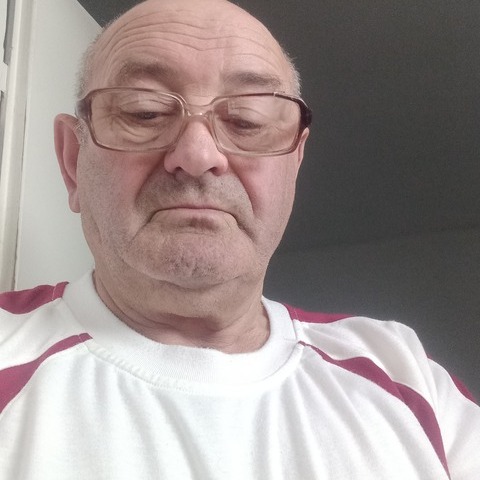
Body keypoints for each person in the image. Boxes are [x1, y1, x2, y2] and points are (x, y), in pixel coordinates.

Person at [0, 0, 478, 478]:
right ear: (72, 162)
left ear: (294, 166)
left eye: (247, 120)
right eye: (145, 111)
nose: (197, 154)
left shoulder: (403, 373)